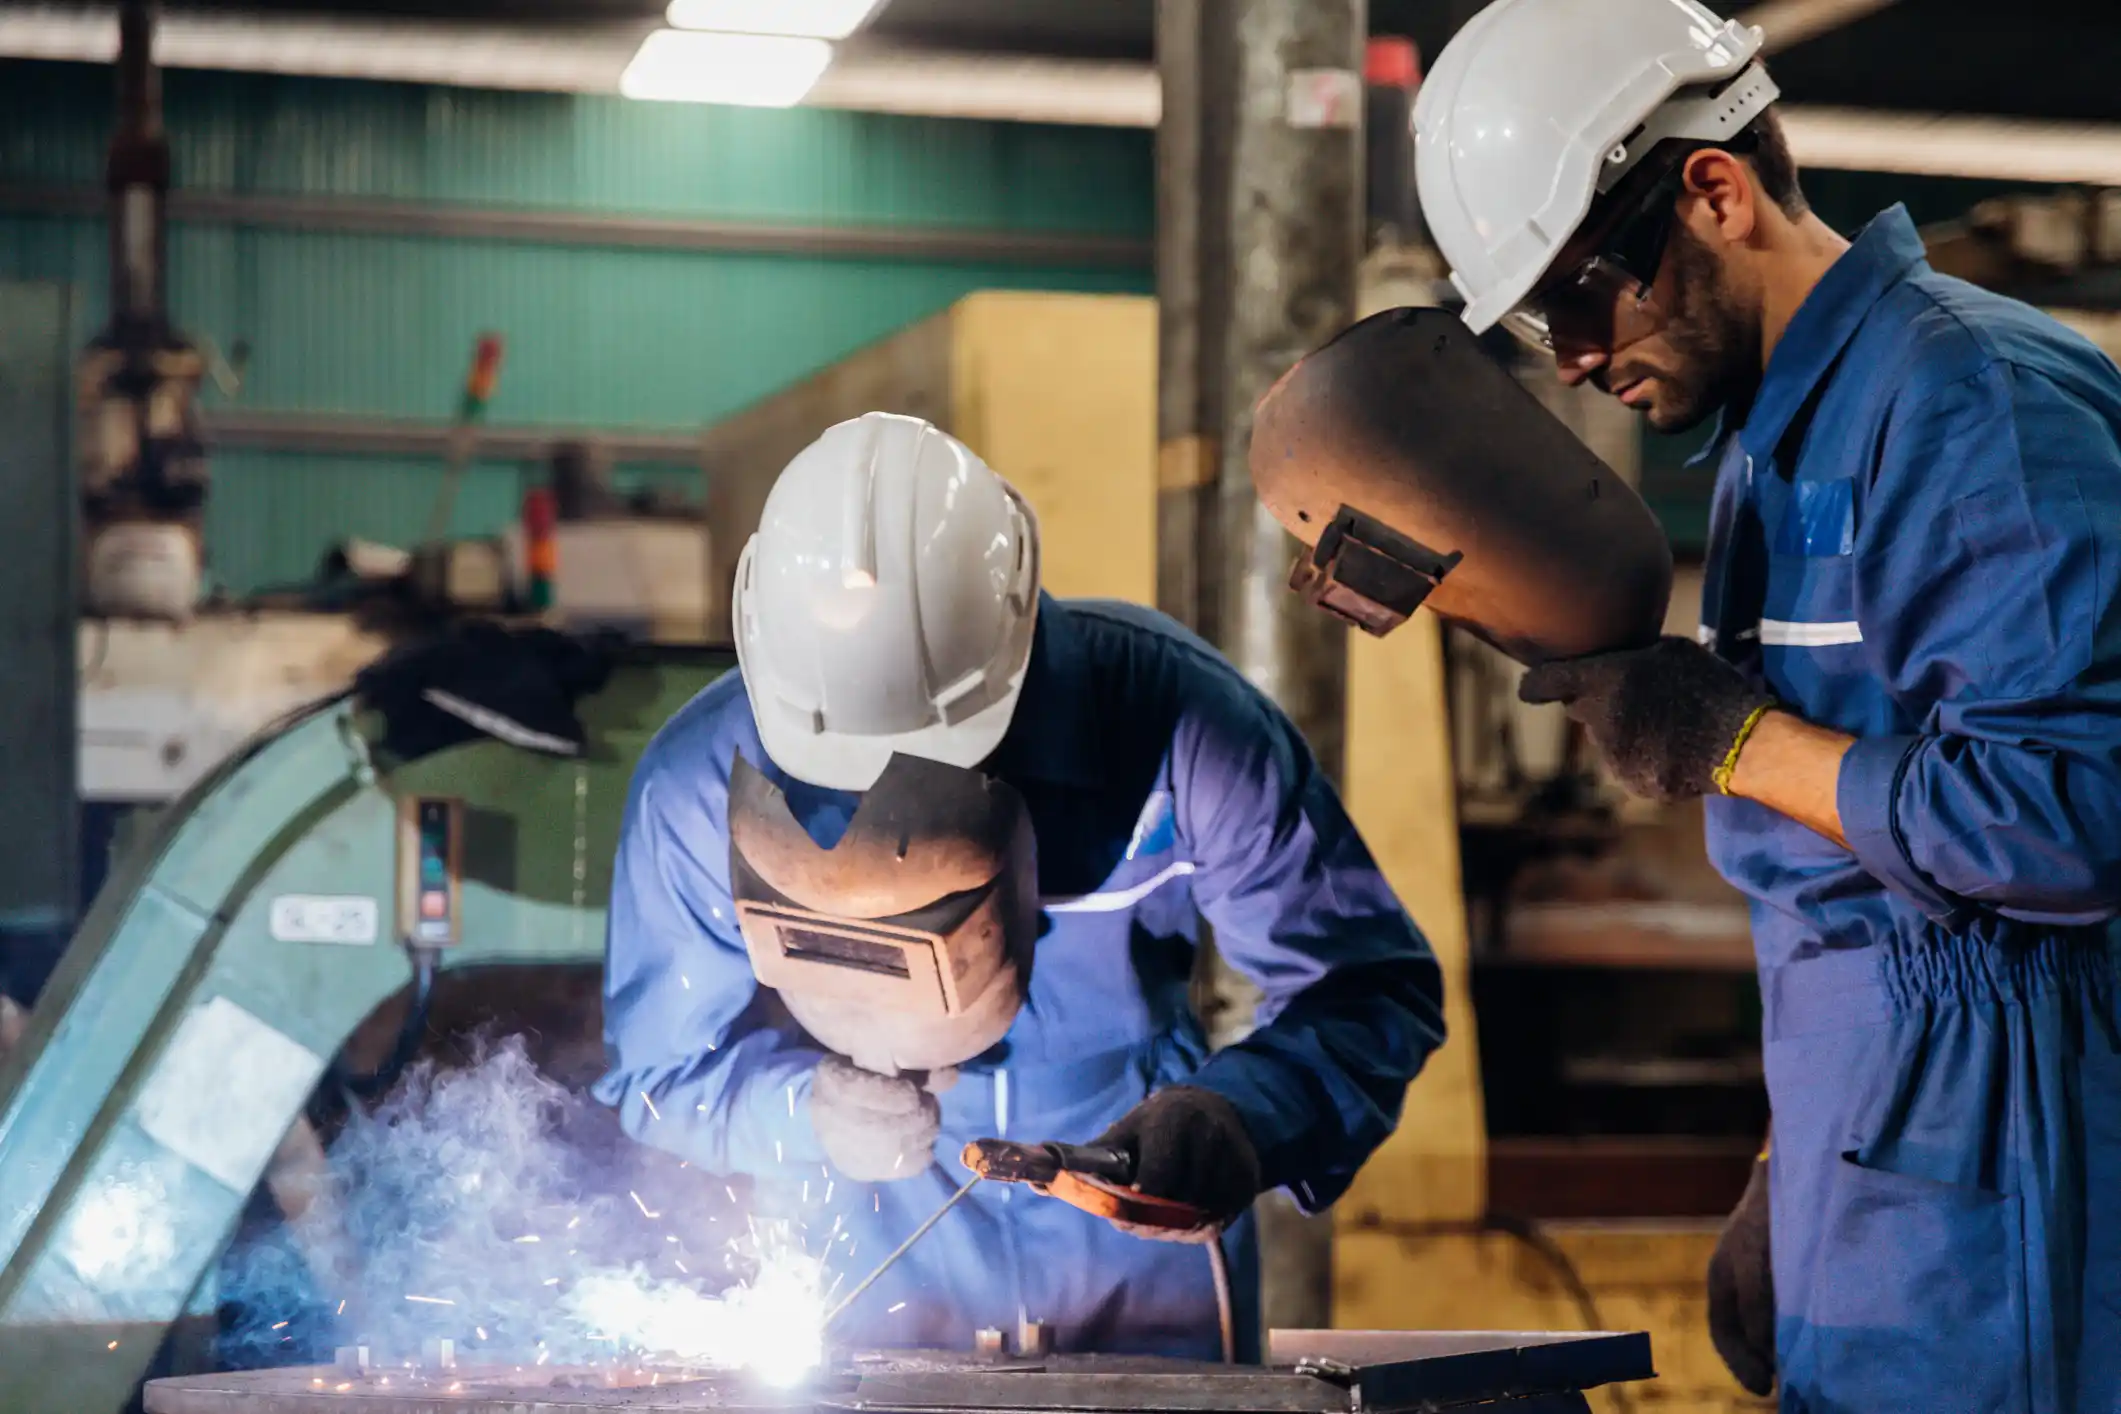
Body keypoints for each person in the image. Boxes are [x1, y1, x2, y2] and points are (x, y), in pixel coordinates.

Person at [1398, 1, 2121, 1409]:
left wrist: (1736, 738)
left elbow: (2078, 814)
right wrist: (1789, 1161)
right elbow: (1833, 898)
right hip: (1880, 1153)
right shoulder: (1769, 457)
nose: (1570, 359)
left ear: (1713, 192)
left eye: (1574, 297)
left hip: (2010, 1184)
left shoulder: (1971, 402)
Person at [595, 411, 1445, 1361]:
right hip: (863, 1204)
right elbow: (660, 1076)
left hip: (1129, 1179)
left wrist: (1245, 1113)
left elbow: (1369, 985)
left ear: (1017, 627)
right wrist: (808, 1117)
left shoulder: (1179, 725)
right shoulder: (699, 783)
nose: (894, 792)